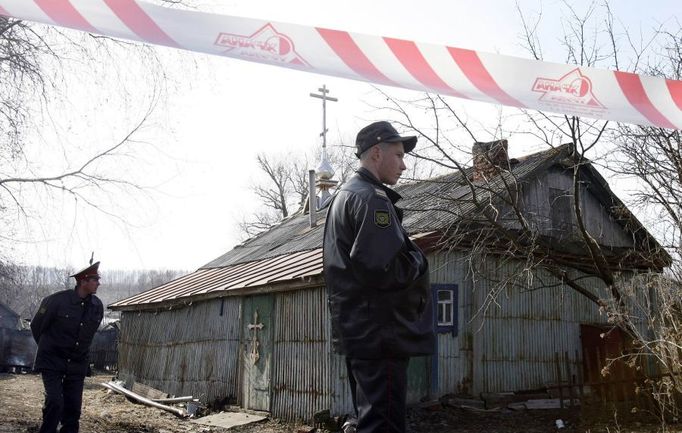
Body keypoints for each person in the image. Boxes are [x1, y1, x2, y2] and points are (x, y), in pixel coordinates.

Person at [323, 121, 435, 433]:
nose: (404, 164)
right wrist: (417, 260)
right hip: (380, 335)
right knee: (382, 424)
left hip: (362, 332)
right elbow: (380, 267)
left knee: (369, 419)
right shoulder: (372, 199)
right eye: (398, 155)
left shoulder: (345, 196)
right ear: (376, 153)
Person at [31, 261, 104, 433]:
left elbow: (89, 334)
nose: (99, 283)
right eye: (95, 279)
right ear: (83, 281)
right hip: (52, 360)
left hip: (77, 363)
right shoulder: (56, 301)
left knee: (73, 409)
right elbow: (36, 327)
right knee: (55, 403)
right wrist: (49, 349)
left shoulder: (97, 306)